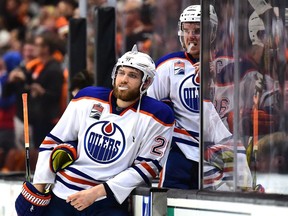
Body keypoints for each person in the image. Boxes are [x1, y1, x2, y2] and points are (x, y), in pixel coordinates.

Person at [15, 45, 175, 215]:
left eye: (133, 75)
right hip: (63, 195)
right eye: (121, 73)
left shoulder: (158, 115)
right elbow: (53, 141)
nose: (124, 80)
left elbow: (148, 166)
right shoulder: (87, 97)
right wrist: (40, 185)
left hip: (106, 201)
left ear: (147, 82)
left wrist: (95, 193)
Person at [147, 5, 234, 190]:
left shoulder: (228, 66)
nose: (191, 36)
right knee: (169, 197)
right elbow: (149, 108)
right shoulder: (168, 65)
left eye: (197, 30)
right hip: (180, 149)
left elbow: (232, 110)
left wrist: (213, 81)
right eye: (186, 30)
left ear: (211, 32)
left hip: (218, 151)